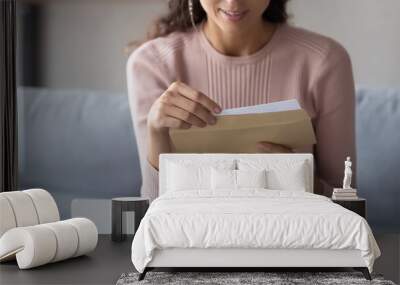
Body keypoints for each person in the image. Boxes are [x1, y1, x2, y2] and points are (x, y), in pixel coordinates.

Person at [126, 0, 357, 202]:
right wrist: (157, 133)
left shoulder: (325, 61)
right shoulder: (151, 64)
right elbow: (152, 210)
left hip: (291, 238)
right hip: (191, 241)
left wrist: (295, 177)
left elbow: (346, 200)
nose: (233, 2)